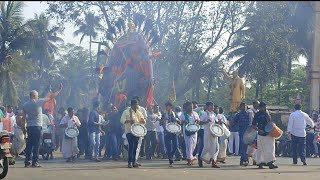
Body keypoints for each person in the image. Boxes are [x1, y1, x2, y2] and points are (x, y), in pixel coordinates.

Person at [22, 84, 62, 168]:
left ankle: (27, 161)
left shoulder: (25, 105)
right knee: (36, 144)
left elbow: (23, 118)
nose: (38, 96)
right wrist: (59, 90)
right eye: (37, 95)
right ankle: (35, 162)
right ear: (34, 96)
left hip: (29, 126)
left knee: (29, 144)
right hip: (37, 126)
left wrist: (23, 129)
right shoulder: (38, 102)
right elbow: (51, 97)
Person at [252, 102, 278, 169]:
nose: (264, 108)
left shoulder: (267, 113)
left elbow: (271, 122)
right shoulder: (257, 115)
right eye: (263, 107)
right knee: (260, 149)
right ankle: (260, 163)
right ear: (260, 107)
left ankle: (270, 163)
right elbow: (253, 125)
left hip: (269, 133)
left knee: (270, 148)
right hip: (261, 134)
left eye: (265, 107)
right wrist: (258, 130)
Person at [120, 99, 146, 168]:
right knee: (131, 146)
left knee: (135, 147)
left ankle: (134, 161)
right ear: (132, 105)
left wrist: (143, 121)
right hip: (129, 131)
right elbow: (122, 120)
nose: (137, 106)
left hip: (137, 132)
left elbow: (143, 121)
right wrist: (129, 120)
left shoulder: (139, 113)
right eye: (135, 104)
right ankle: (130, 162)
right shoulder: (126, 112)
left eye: (137, 104)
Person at [199, 102, 220, 168]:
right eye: (211, 106)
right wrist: (206, 121)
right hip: (207, 132)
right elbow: (200, 122)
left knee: (216, 147)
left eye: (213, 106)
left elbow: (216, 121)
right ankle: (201, 159)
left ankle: (213, 161)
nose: (213, 107)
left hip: (214, 132)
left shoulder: (214, 114)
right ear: (207, 107)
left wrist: (218, 122)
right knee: (207, 147)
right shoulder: (204, 114)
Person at [179, 101, 200, 166]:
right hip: (187, 132)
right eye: (190, 106)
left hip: (194, 131)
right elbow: (180, 122)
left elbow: (199, 121)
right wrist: (183, 121)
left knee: (193, 145)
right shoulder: (183, 114)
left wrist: (197, 121)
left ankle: (191, 157)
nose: (191, 108)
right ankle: (189, 160)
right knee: (189, 146)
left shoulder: (195, 113)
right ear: (187, 107)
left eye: (192, 106)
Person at [161, 102, 180, 167]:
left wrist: (176, 119)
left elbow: (179, 122)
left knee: (175, 146)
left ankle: (171, 155)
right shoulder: (164, 114)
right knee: (168, 147)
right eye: (166, 106)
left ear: (170, 107)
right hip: (167, 132)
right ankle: (170, 160)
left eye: (167, 106)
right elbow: (161, 123)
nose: (166, 107)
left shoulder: (175, 114)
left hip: (174, 132)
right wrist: (163, 120)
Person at [246, 101, 259, 165]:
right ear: (254, 105)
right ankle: (247, 159)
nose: (258, 105)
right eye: (257, 104)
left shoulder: (258, 112)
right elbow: (250, 123)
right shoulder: (250, 112)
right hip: (251, 131)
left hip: (256, 130)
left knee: (255, 146)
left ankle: (255, 159)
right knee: (250, 145)